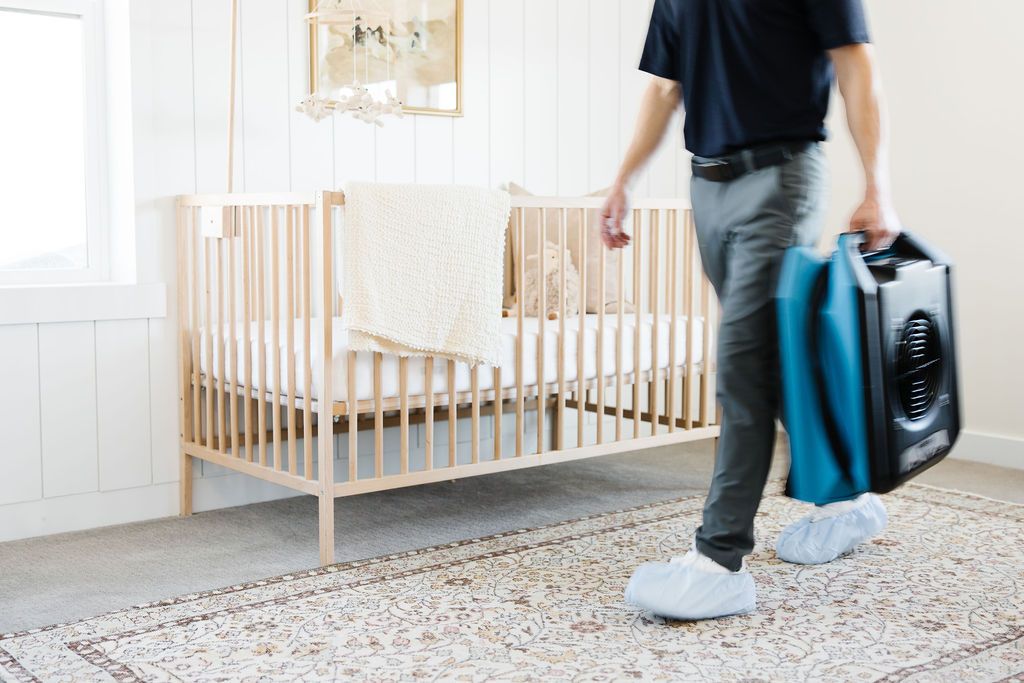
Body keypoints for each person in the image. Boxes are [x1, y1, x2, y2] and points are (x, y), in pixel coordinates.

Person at [601, 0, 900, 620]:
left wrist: (878, 189)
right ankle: (848, 498)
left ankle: (720, 559)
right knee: (769, 359)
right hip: (706, 185)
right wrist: (624, 180)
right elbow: (665, 87)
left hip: (782, 175)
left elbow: (855, 65)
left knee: (740, 366)